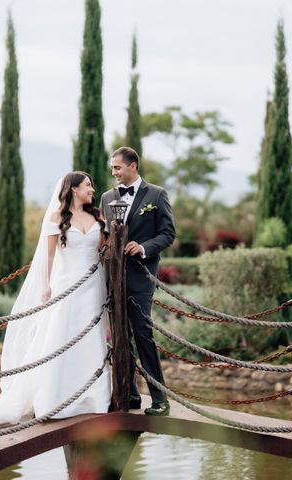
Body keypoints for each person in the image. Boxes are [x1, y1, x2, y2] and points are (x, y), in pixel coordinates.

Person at [0, 172, 112, 443]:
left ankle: (94, 397)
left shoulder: (98, 219)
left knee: (90, 338)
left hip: (92, 286)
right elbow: (47, 257)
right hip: (66, 286)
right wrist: (46, 287)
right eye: (87, 186)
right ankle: (55, 399)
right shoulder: (56, 219)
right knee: (61, 338)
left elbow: (104, 250)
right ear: (73, 189)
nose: (92, 190)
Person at [100, 146, 176, 416]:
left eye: (117, 167)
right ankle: (128, 394)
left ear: (133, 166)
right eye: (112, 168)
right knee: (120, 336)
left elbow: (168, 234)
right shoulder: (107, 197)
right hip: (113, 277)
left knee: (143, 335)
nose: (113, 173)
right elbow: (105, 236)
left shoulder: (156, 195)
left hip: (141, 278)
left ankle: (160, 399)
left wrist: (142, 247)